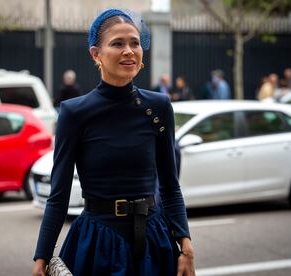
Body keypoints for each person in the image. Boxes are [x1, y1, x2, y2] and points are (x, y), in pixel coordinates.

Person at [32, 8, 195, 276]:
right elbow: (58, 196)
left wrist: (186, 246)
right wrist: (42, 258)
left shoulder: (159, 106)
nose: (129, 50)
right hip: (96, 244)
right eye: (117, 43)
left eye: (134, 43)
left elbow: (170, 186)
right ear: (96, 54)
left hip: (154, 243)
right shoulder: (74, 113)